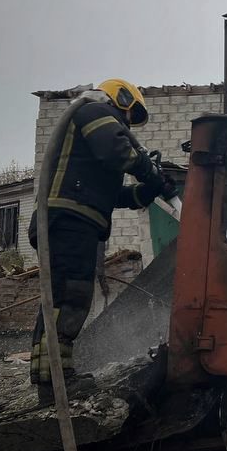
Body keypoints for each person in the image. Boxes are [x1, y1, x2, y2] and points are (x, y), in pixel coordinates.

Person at [28, 78, 175, 403]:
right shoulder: (93, 111)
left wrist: (147, 189)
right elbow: (117, 151)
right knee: (70, 298)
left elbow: (116, 194)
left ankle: (48, 382)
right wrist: (146, 169)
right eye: (128, 116)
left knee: (59, 300)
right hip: (69, 223)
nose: (126, 124)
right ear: (119, 98)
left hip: (75, 222)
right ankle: (57, 382)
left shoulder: (93, 143)